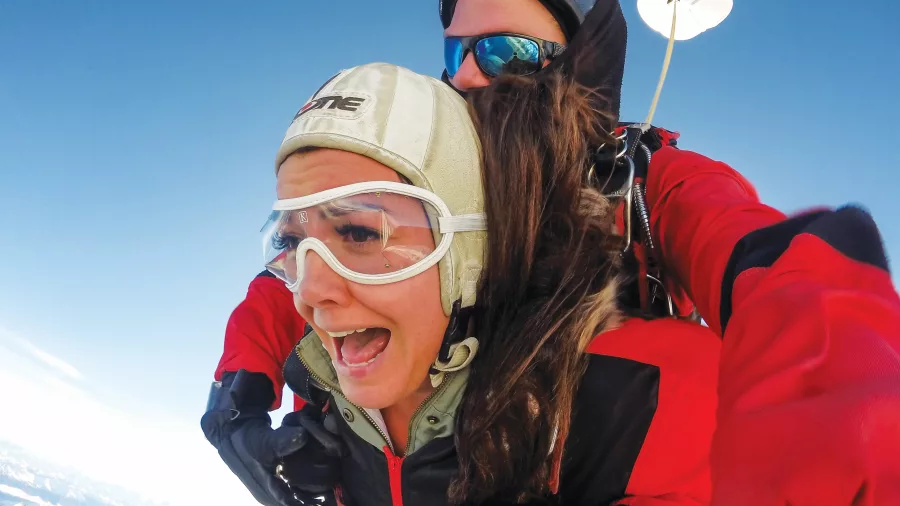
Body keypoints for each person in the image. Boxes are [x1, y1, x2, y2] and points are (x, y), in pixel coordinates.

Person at [202, 1, 900, 505]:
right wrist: (238, 396)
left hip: (577, 447)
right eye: (455, 52)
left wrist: (830, 449)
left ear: (580, 62)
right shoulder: (423, 175)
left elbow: (788, 276)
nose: (467, 78)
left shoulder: (647, 186)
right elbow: (314, 257)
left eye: (503, 52)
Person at [264, 61, 721, 506]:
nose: (310, 292)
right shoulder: (321, 389)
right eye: (290, 242)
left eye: (362, 233)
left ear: (471, 245)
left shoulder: (644, 398)